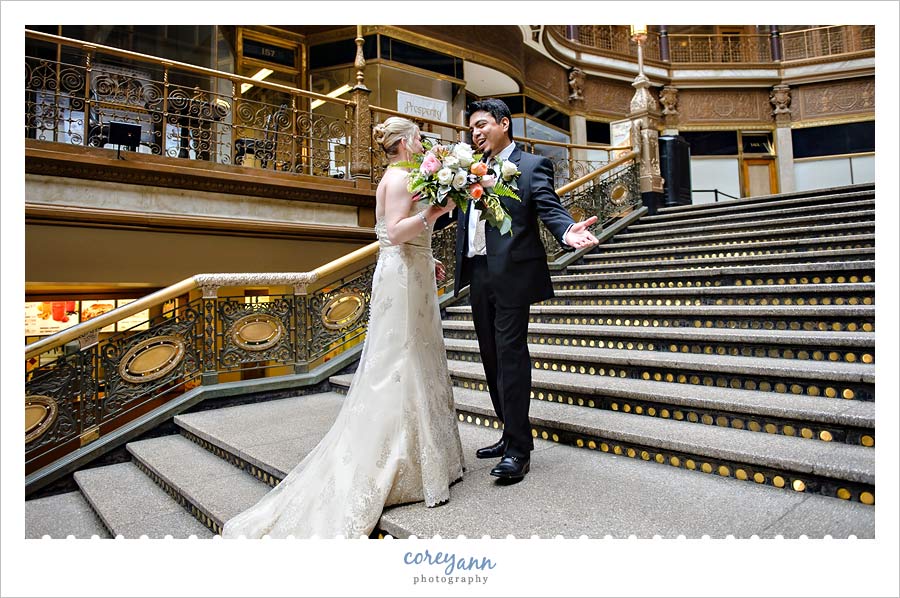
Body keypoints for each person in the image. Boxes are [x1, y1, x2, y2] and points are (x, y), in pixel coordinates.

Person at [222, 117, 463, 538]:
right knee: (401, 359)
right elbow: (394, 231)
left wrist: (429, 255)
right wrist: (435, 212)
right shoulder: (400, 178)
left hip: (411, 269)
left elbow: (396, 236)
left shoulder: (397, 175)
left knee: (412, 354)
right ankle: (399, 459)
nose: (421, 143)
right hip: (403, 277)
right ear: (404, 143)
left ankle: (422, 453)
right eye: (417, 138)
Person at [454, 98, 599, 482]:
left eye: (482, 124)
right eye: (472, 128)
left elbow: (549, 208)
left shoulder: (532, 166)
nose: (476, 132)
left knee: (511, 358)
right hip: (478, 273)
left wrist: (567, 231)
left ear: (504, 124)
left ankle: (519, 450)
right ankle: (509, 431)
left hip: (512, 275)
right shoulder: (468, 169)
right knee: (490, 359)